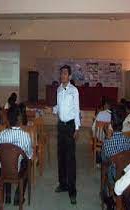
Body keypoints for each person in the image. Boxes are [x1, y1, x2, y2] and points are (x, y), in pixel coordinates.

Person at [0, 106, 33, 205]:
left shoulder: (2, 134)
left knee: (4, 161)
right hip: (17, 171)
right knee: (28, 162)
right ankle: (18, 196)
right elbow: (29, 155)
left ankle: (7, 196)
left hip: (3, 170)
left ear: (8, 119)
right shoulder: (25, 135)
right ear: (19, 118)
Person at [53, 65, 80, 205]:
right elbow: (59, 106)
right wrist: (54, 109)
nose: (62, 75)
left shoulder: (74, 91)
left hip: (70, 127)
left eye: (64, 73)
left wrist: (77, 128)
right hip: (60, 126)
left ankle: (72, 191)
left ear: (69, 76)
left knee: (70, 159)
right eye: (61, 73)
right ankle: (63, 184)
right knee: (61, 156)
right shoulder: (58, 89)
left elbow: (76, 109)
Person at [101, 105, 130, 209]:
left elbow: (104, 162)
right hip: (128, 175)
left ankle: (110, 196)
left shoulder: (107, 143)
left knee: (107, 167)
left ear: (111, 123)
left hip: (113, 177)